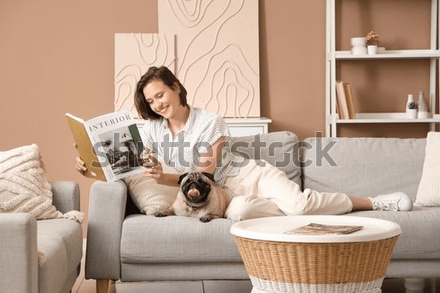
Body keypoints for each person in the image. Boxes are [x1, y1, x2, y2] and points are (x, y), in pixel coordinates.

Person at [75, 66, 413, 221]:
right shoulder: (151, 130)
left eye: (160, 94)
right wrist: (94, 165)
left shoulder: (209, 121)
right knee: (241, 212)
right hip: (227, 198)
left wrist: (164, 174)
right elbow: (137, 165)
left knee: (297, 205)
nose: (157, 104)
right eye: (150, 101)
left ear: (176, 87)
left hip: (249, 177)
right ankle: (300, 208)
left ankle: (372, 202)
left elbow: (204, 172)